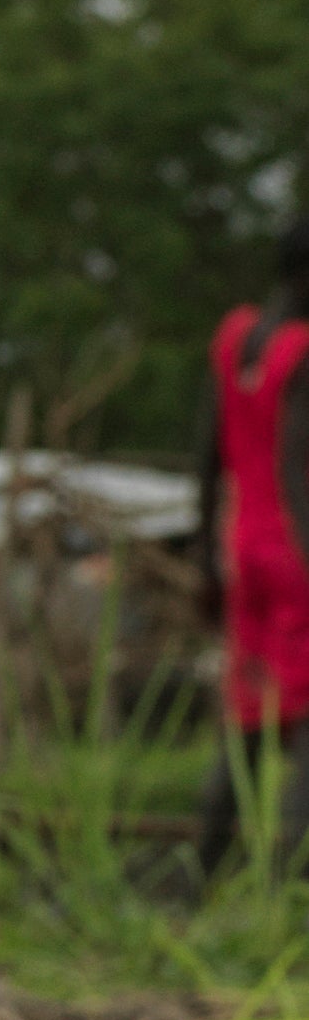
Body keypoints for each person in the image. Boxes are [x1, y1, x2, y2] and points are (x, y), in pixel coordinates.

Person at [202, 218, 309, 872]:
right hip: (297, 548)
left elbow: (207, 455)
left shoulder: (234, 338)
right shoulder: (302, 350)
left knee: (246, 720)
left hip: (241, 545)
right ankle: (289, 894)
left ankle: (201, 879)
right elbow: (299, 467)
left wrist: (202, 560)